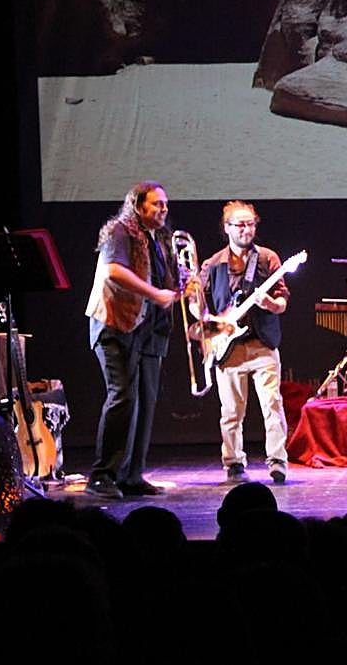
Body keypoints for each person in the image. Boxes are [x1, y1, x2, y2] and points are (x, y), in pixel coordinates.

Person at [84, 181, 180, 499]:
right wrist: (155, 293)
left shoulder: (158, 239)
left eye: (165, 204)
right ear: (138, 206)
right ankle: (102, 476)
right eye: (157, 204)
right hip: (115, 324)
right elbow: (113, 271)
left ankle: (131, 475)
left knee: (144, 402)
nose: (163, 209)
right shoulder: (120, 231)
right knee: (123, 397)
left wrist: (183, 289)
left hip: (146, 329)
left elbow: (165, 285)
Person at [197, 201, 290, 485]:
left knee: (272, 404)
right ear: (227, 228)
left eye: (251, 224)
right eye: (240, 225)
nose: (247, 230)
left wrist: (270, 303)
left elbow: (282, 302)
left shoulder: (267, 258)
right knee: (231, 411)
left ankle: (278, 461)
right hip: (229, 348)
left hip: (263, 343)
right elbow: (197, 305)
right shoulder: (213, 264)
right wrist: (213, 323)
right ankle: (234, 463)